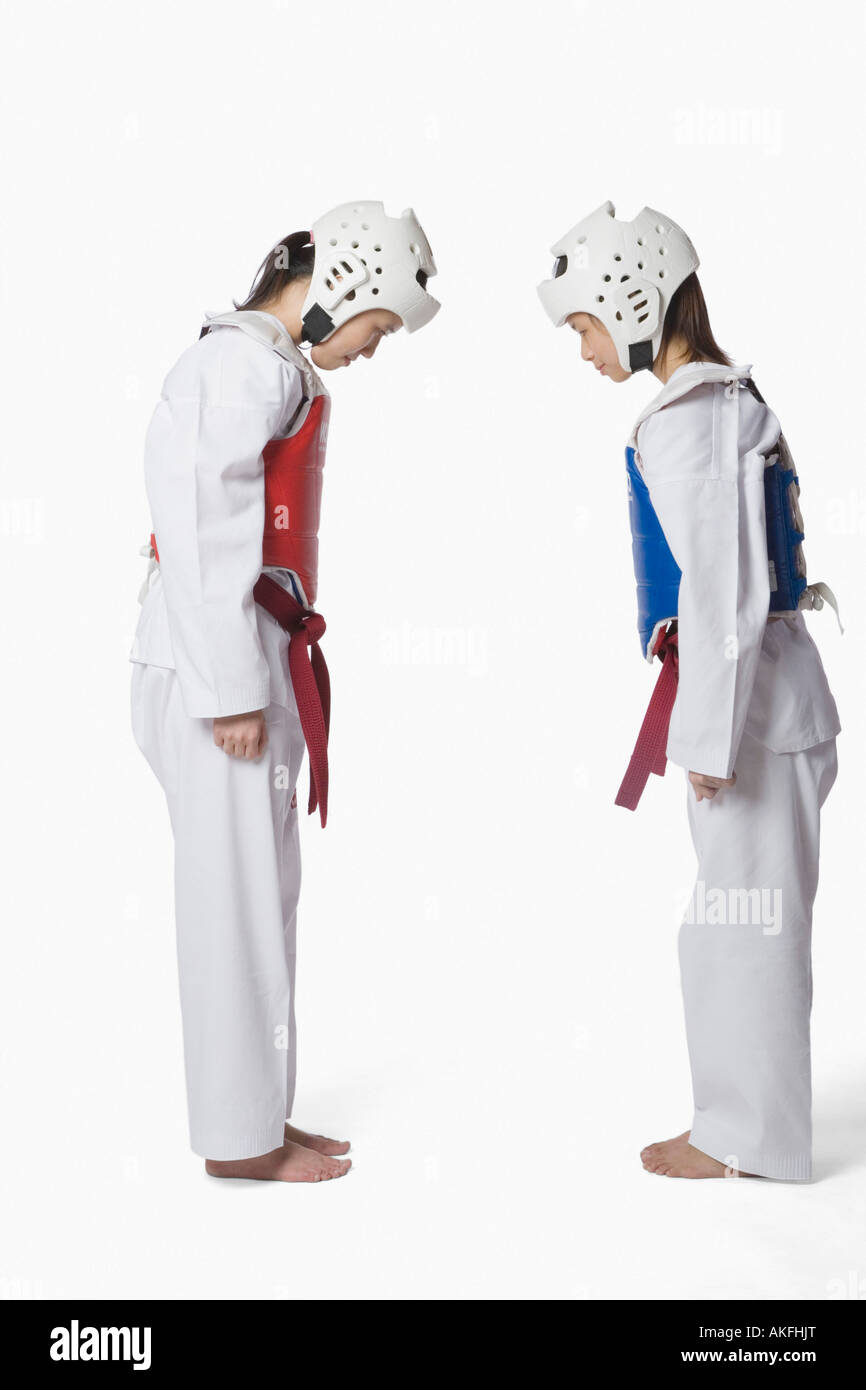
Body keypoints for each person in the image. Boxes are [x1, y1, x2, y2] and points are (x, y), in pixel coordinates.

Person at [130, 202, 440, 1182]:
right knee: (232, 907)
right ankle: (238, 1143)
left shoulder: (269, 369)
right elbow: (198, 518)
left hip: (247, 656)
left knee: (263, 900)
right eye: (377, 328)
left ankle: (260, 1113)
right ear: (339, 287)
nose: (372, 351)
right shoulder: (233, 367)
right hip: (209, 668)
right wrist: (226, 689)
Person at [538, 200, 842, 1180]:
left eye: (584, 321)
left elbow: (724, 596)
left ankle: (752, 1140)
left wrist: (704, 742)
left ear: (634, 298)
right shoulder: (712, 408)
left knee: (745, 926)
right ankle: (733, 1126)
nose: (582, 346)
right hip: (757, 709)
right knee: (726, 922)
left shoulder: (691, 421)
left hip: (752, 718)